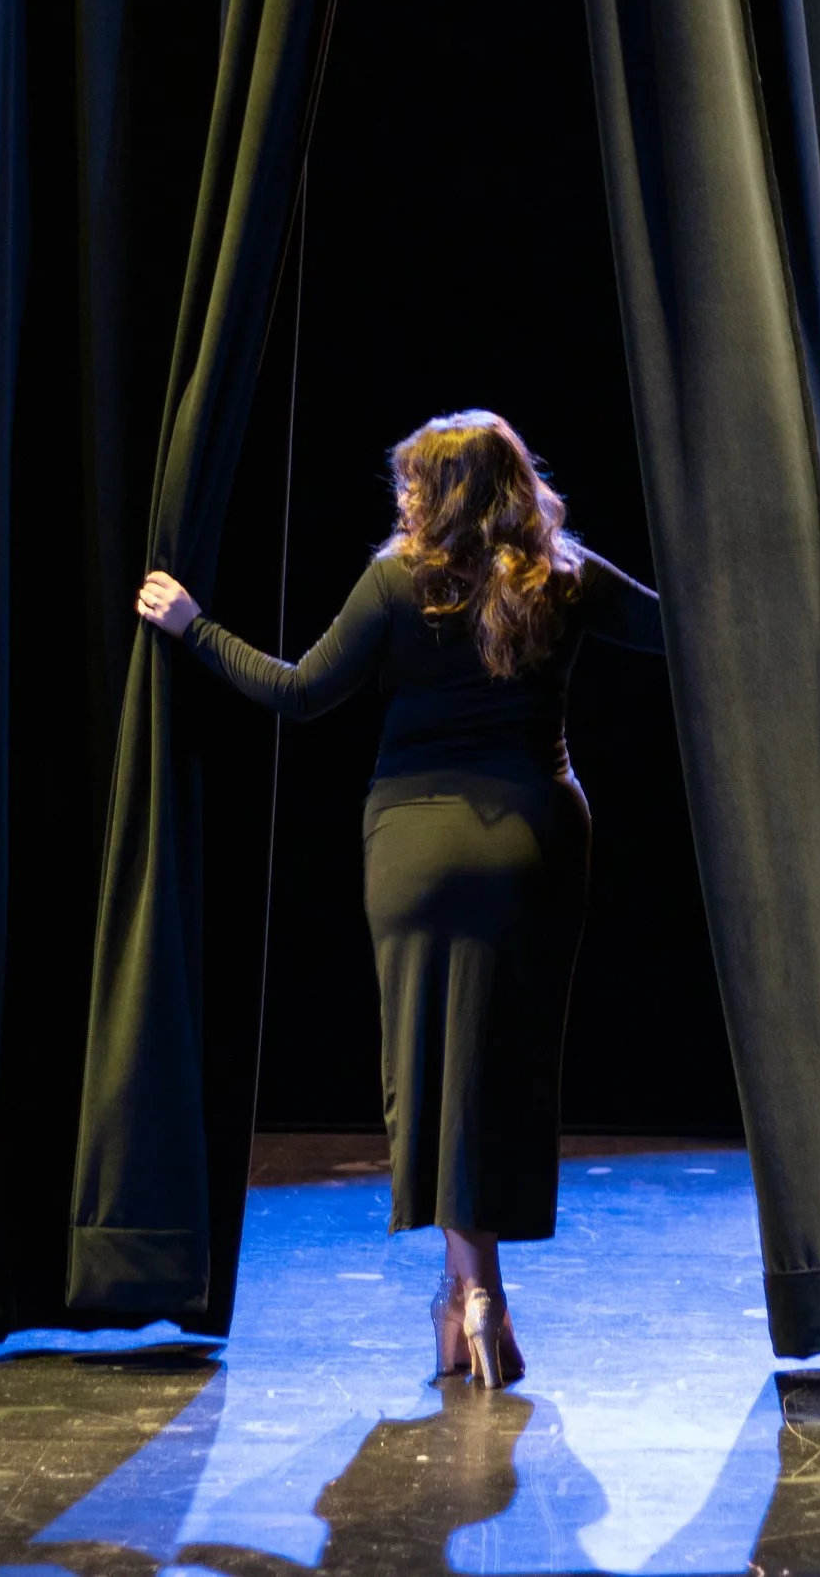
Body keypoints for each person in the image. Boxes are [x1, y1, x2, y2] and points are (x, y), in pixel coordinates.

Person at [135, 409, 665, 1387]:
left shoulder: (395, 583)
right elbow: (685, 629)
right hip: (536, 841)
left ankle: (469, 1290)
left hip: (415, 844)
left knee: (431, 1068)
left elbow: (299, 693)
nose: (402, 501)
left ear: (447, 494)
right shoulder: (565, 575)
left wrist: (191, 626)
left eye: (415, 486)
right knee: (502, 1065)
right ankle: (472, 1285)